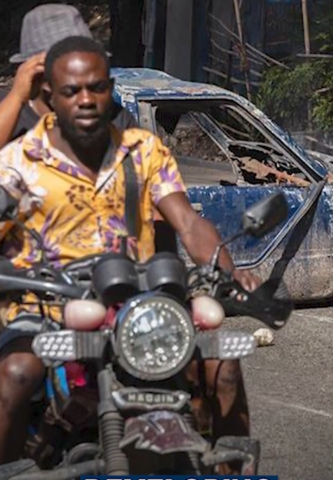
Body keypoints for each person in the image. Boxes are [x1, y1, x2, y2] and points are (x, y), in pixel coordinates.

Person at [0, 36, 261, 475]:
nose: (86, 100)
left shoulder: (143, 151)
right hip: (43, 305)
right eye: (72, 91)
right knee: (15, 376)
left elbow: (188, 222)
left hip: (138, 306)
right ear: (50, 96)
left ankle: (231, 469)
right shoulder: (19, 162)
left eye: (97, 87)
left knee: (222, 365)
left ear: (110, 88)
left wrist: (225, 267)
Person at [0, 4, 137, 148]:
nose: (85, 99)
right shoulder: (10, 109)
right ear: (35, 72)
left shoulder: (115, 118)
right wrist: (17, 97)